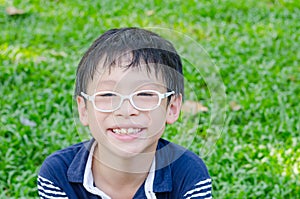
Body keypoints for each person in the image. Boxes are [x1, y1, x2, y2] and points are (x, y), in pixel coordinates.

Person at [37, 27, 212, 199]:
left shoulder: (189, 175)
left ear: (172, 108)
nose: (126, 111)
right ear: (83, 110)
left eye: (145, 94)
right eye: (108, 94)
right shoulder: (58, 174)